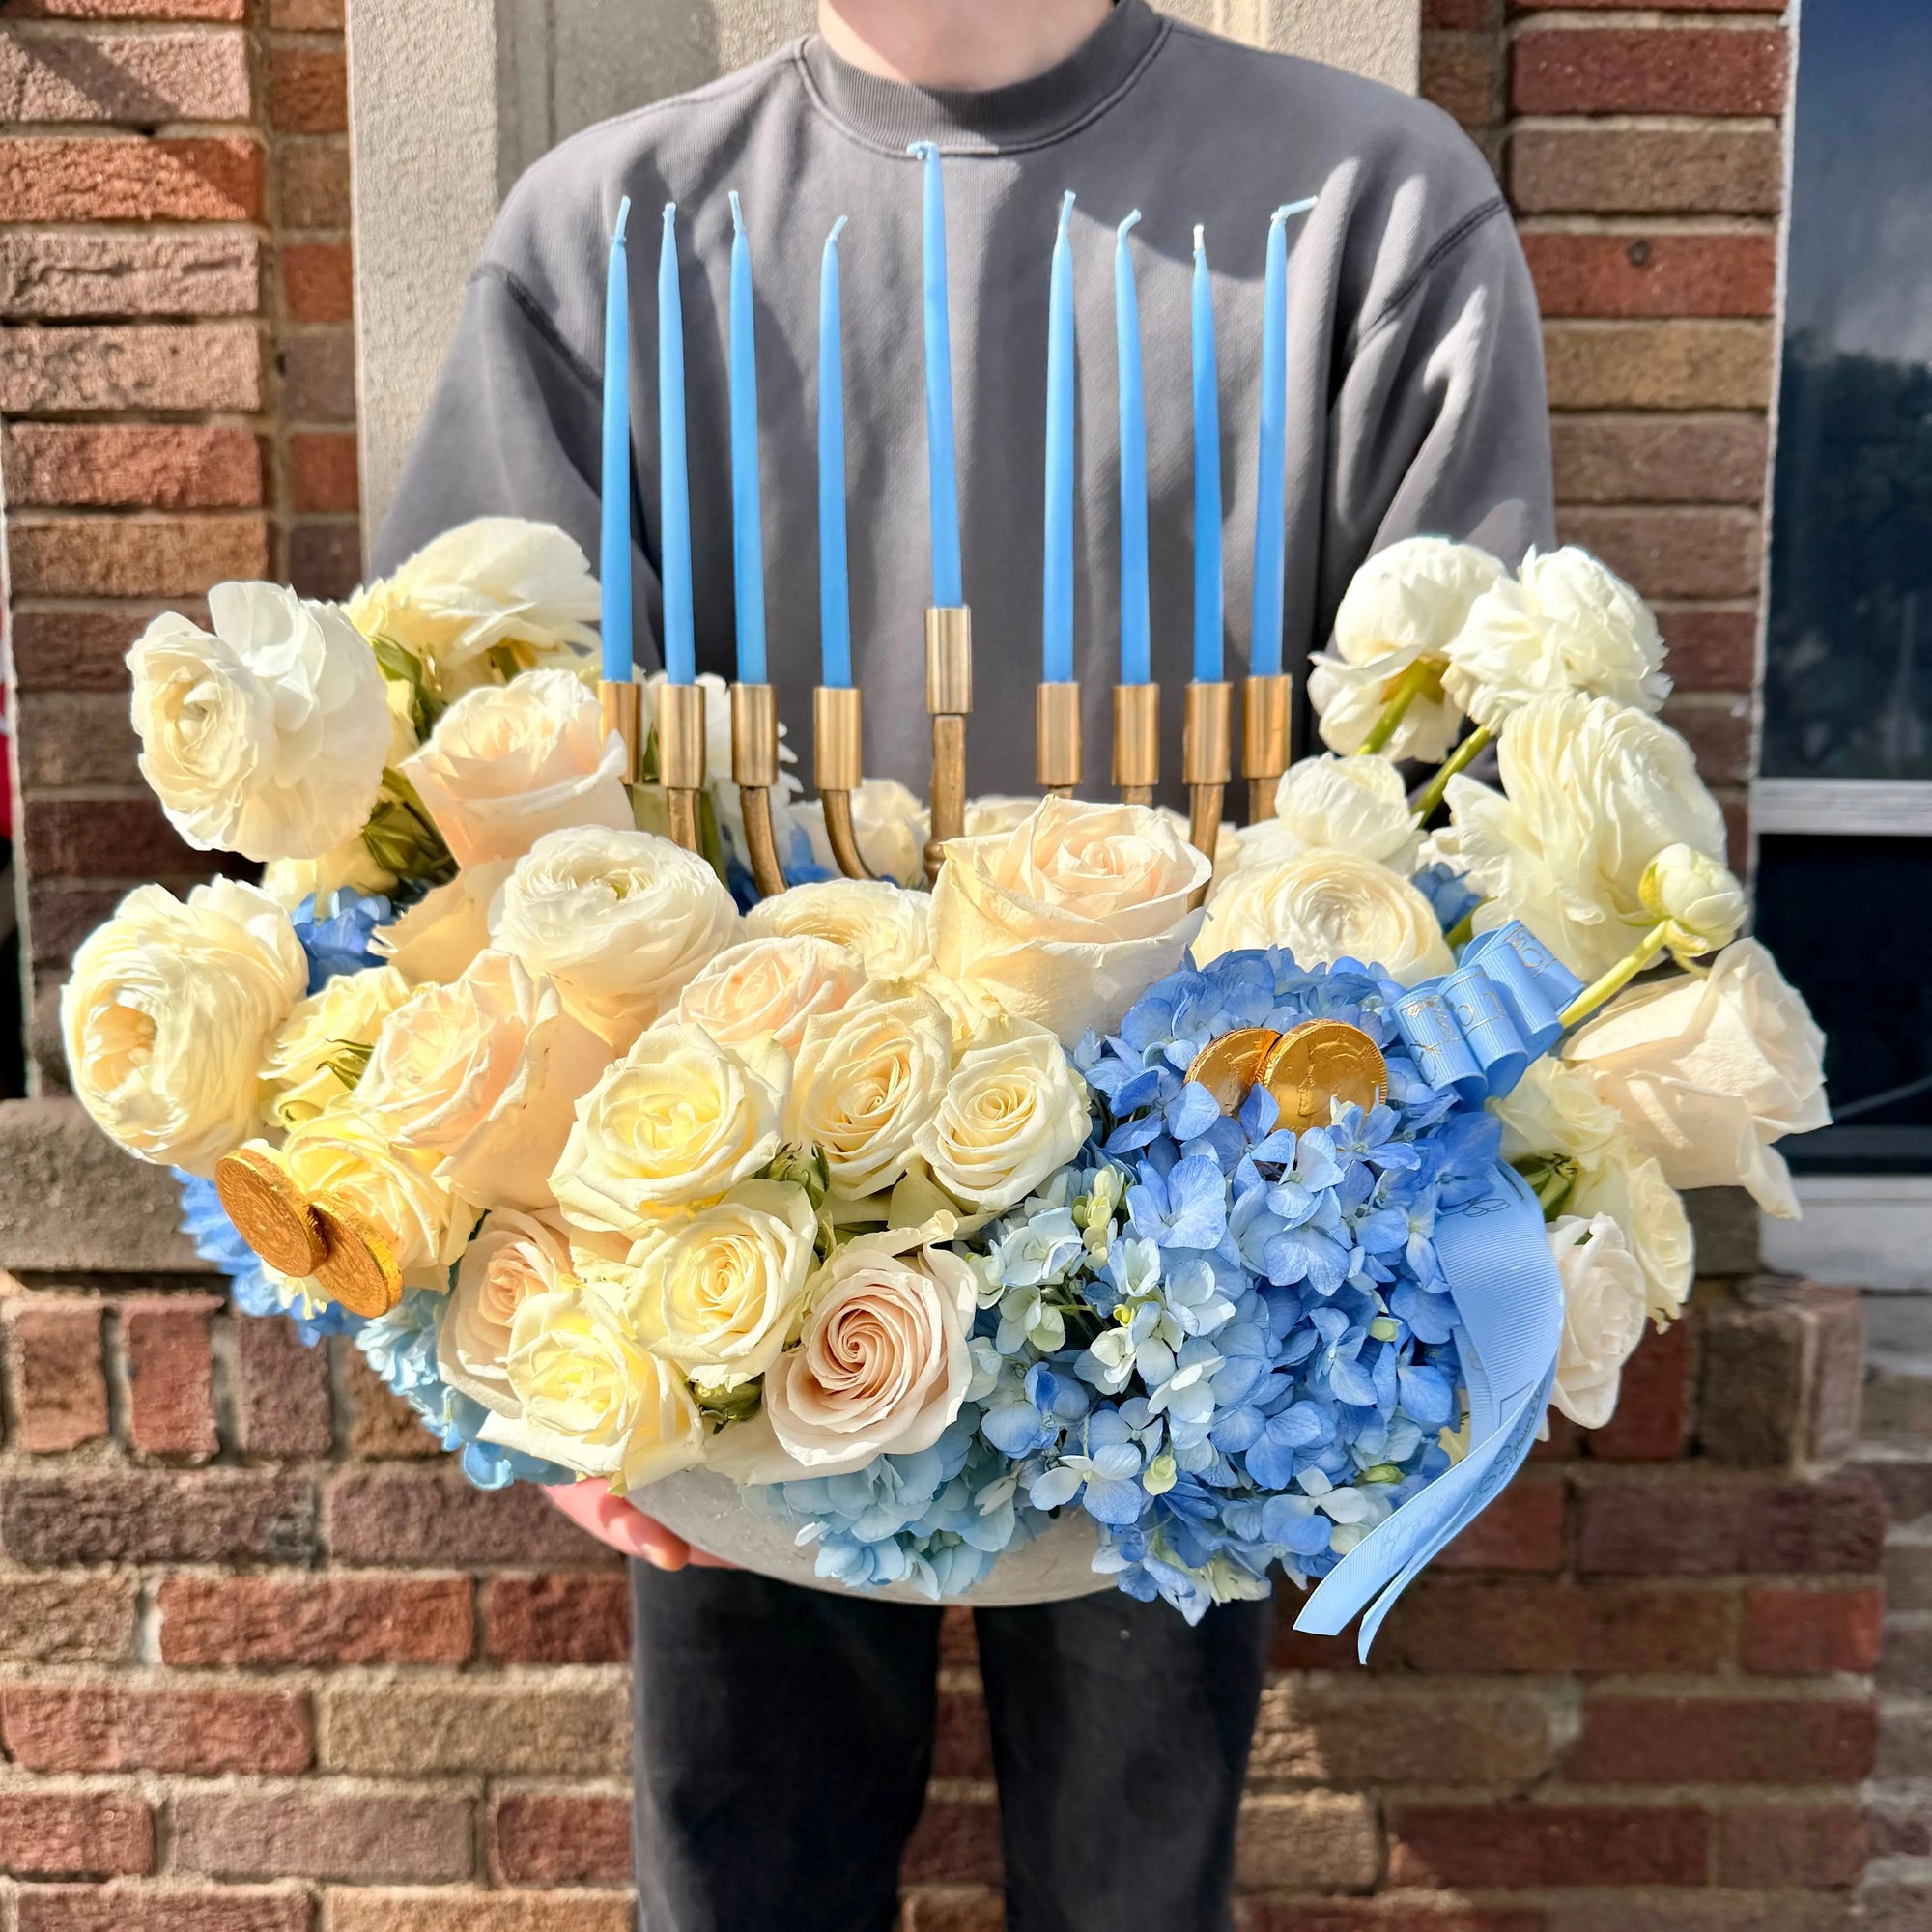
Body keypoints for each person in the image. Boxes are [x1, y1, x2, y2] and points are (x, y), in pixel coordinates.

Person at [378, 5, 1554, 1926]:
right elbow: (454, 821)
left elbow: (1475, 804)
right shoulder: (616, 236)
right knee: (744, 1889)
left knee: (1130, 1895)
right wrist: (513, 1309)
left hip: (1191, 1305)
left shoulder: (1366, 213)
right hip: (722, 1282)